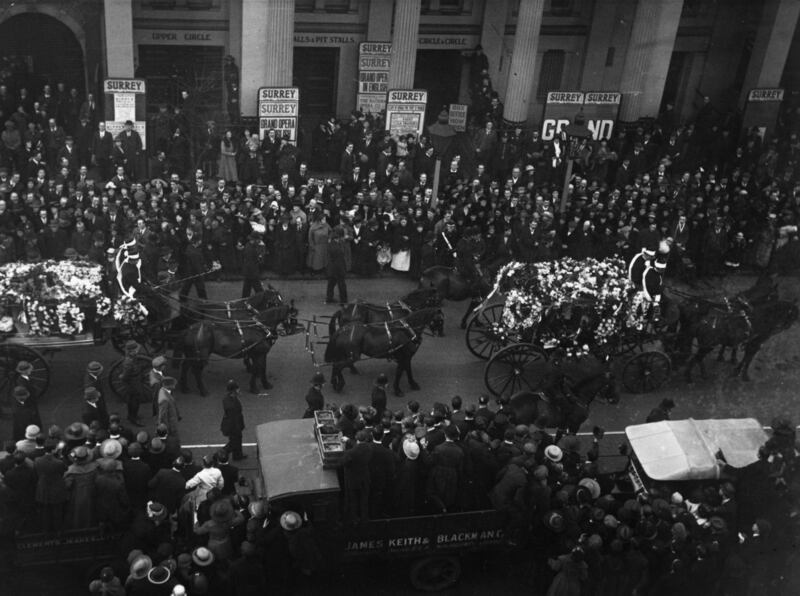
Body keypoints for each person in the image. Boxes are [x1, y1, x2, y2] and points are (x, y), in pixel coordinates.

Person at [341, 430, 372, 522]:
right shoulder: (369, 448)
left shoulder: (350, 453)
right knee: (364, 501)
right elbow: (359, 447)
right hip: (364, 478)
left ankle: (353, 520)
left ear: (356, 438)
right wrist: (349, 441)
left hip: (352, 480)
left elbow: (342, 462)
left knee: (353, 500)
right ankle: (364, 520)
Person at [119, 340, 146, 427]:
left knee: (133, 401)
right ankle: (133, 418)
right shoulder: (128, 362)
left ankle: (132, 416)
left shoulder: (131, 358)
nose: (136, 351)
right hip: (132, 384)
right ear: (130, 351)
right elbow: (125, 376)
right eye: (134, 350)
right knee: (134, 401)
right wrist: (122, 377)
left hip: (134, 381)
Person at [220, 379, 246, 461]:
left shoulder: (228, 398)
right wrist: (237, 429)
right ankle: (219, 455)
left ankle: (238, 455)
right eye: (237, 389)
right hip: (234, 426)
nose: (239, 390)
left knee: (237, 440)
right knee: (233, 443)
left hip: (234, 424)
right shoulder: (231, 405)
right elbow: (233, 419)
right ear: (234, 390)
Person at [325, 225, 348, 304]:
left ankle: (329, 298)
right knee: (342, 285)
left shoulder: (331, 243)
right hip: (338, 268)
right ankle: (343, 301)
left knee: (331, 284)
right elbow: (340, 258)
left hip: (332, 268)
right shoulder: (337, 246)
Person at [240, 231, 264, 298]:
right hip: (252, 273)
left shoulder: (249, 245)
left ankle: (243, 302)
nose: (259, 241)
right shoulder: (250, 249)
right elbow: (251, 263)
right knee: (259, 290)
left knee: (246, 290)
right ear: (254, 240)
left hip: (248, 272)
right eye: (258, 240)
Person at [157, 376, 181, 443]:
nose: (175, 386)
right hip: (170, 425)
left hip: (171, 421)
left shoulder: (163, 391)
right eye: (173, 384)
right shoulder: (164, 399)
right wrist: (167, 429)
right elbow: (162, 416)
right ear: (168, 385)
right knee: (174, 440)